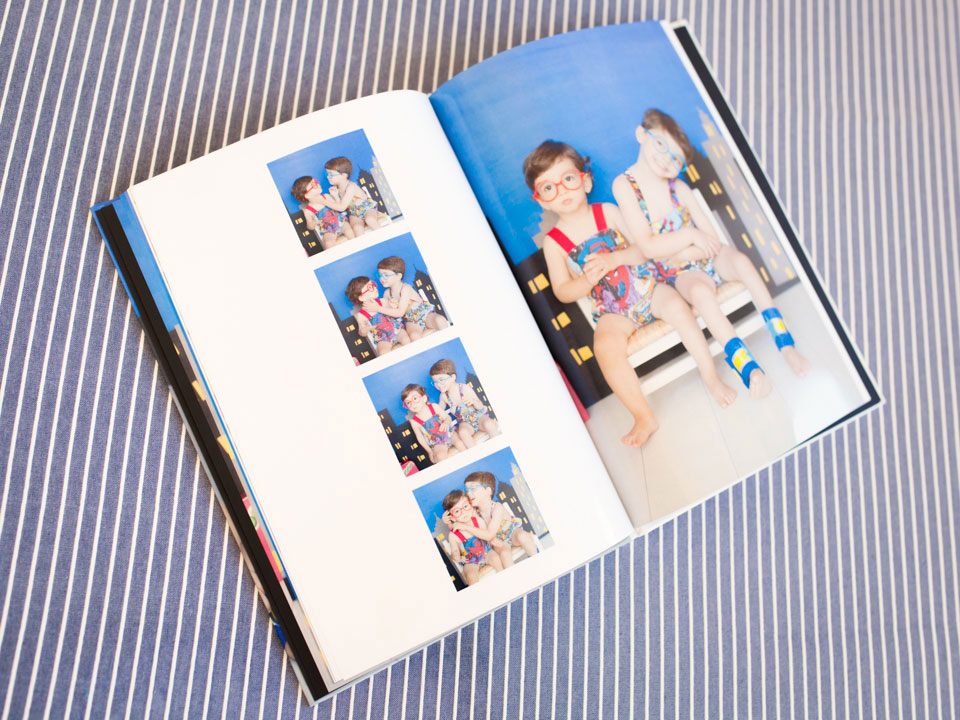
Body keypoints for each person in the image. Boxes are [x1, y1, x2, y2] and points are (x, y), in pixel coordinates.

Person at [523, 140, 737, 447]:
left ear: (586, 181)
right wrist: (586, 281)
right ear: (541, 201)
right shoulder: (554, 243)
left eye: (568, 179)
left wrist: (615, 259)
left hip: (647, 287)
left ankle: (711, 377)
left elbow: (644, 249)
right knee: (604, 347)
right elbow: (562, 291)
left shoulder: (607, 212)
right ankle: (642, 416)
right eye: (548, 187)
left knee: (678, 308)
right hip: (611, 310)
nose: (562, 190)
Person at [612, 108, 811, 397]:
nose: (667, 159)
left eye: (676, 159)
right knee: (701, 294)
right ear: (642, 135)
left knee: (742, 262)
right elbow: (649, 247)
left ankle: (786, 344)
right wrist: (690, 236)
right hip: (680, 274)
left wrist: (682, 250)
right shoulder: (625, 185)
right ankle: (749, 369)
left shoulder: (678, 187)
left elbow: (713, 241)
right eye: (661, 145)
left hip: (705, 256)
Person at [455, 471, 537, 569]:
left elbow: (490, 532)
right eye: (467, 490)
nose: (468, 493)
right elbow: (459, 524)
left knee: (522, 535)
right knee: (504, 553)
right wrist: (448, 521)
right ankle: (514, 575)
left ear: (488, 491)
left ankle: (537, 562)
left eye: (472, 488)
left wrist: (490, 538)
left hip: (511, 532)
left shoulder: (497, 507)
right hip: (496, 541)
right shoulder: (473, 513)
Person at [374, 256, 449, 341]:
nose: (381, 278)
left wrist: (378, 308)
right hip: (410, 320)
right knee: (414, 335)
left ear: (398, 276)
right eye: (380, 275)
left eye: (386, 275)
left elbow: (400, 312)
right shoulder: (387, 293)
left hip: (424, 313)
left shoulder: (406, 288)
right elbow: (390, 315)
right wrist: (392, 308)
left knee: (439, 320)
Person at [429, 359, 499, 447]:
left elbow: (480, 406)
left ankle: (498, 444)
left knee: (489, 424)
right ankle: (476, 452)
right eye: (435, 382)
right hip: (465, 422)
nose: (438, 384)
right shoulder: (444, 396)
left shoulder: (464, 388)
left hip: (479, 416)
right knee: (462, 432)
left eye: (441, 380)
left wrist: (474, 402)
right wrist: (432, 412)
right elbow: (439, 411)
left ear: (452, 377)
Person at [441, 490, 503, 585]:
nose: (463, 512)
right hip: (470, 561)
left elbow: (486, 535)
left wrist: (492, 539)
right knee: (470, 575)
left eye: (465, 506)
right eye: (457, 511)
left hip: (486, 552)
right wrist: (455, 555)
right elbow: (454, 551)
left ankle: (503, 580)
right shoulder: (453, 535)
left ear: (471, 506)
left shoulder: (478, 521)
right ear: (452, 517)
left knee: (496, 559)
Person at [344, 276, 410, 356]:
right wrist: (364, 330)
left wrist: (394, 307)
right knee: (383, 352)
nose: (375, 288)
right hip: (382, 339)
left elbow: (394, 314)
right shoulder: (361, 315)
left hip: (396, 330)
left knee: (406, 339)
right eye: (370, 287)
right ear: (362, 297)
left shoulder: (382, 301)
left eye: (373, 284)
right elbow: (361, 331)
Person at [401, 384, 465, 463]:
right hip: (437, 443)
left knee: (460, 443)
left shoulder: (434, 407)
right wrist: (429, 451)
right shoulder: (414, 422)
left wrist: (446, 423)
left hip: (449, 434)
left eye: (415, 398)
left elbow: (447, 417)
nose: (412, 404)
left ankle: (468, 459)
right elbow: (420, 438)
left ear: (424, 398)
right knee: (440, 456)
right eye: (408, 403)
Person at [317, 157, 381, 235]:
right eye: (326, 174)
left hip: (366, 208)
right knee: (357, 228)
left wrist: (323, 201)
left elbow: (342, 207)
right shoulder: (336, 189)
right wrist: (336, 196)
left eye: (331, 174)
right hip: (353, 213)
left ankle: (383, 235)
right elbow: (340, 207)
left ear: (344, 175)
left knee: (370, 219)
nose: (328, 177)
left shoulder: (351, 187)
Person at [290, 176, 354, 250]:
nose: (318, 184)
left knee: (349, 232)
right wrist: (312, 224)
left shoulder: (326, 196)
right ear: (307, 195)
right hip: (327, 229)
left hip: (340, 221)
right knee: (328, 243)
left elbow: (339, 207)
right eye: (314, 185)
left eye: (316, 182)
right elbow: (310, 226)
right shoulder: (308, 210)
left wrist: (336, 196)